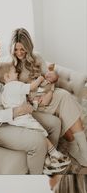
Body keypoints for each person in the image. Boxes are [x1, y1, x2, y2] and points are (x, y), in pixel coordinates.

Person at [0, 29, 62, 174]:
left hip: (17, 110)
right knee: (38, 141)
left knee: (55, 124)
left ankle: (46, 161)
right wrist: (15, 111)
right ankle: (36, 177)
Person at [10, 27, 87, 166]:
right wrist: (32, 100)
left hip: (46, 94)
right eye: (16, 49)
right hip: (33, 104)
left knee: (64, 96)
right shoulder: (10, 65)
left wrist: (50, 93)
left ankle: (82, 148)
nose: (19, 53)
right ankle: (75, 147)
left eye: (22, 49)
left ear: (28, 47)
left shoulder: (37, 57)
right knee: (64, 107)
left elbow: (49, 78)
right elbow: (13, 91)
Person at [0, 62, 71, 174]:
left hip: (14, 120)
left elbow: (18, 103)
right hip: (23, 117)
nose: (17, 73)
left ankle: (48, 158)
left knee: (38, 131)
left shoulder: (4, 91)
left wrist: (34, 103)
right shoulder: (15, 85)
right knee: (40, 132)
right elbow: (32, 87)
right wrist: (40, 79)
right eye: (14, 72)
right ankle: (54, 154)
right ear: (7, 76)